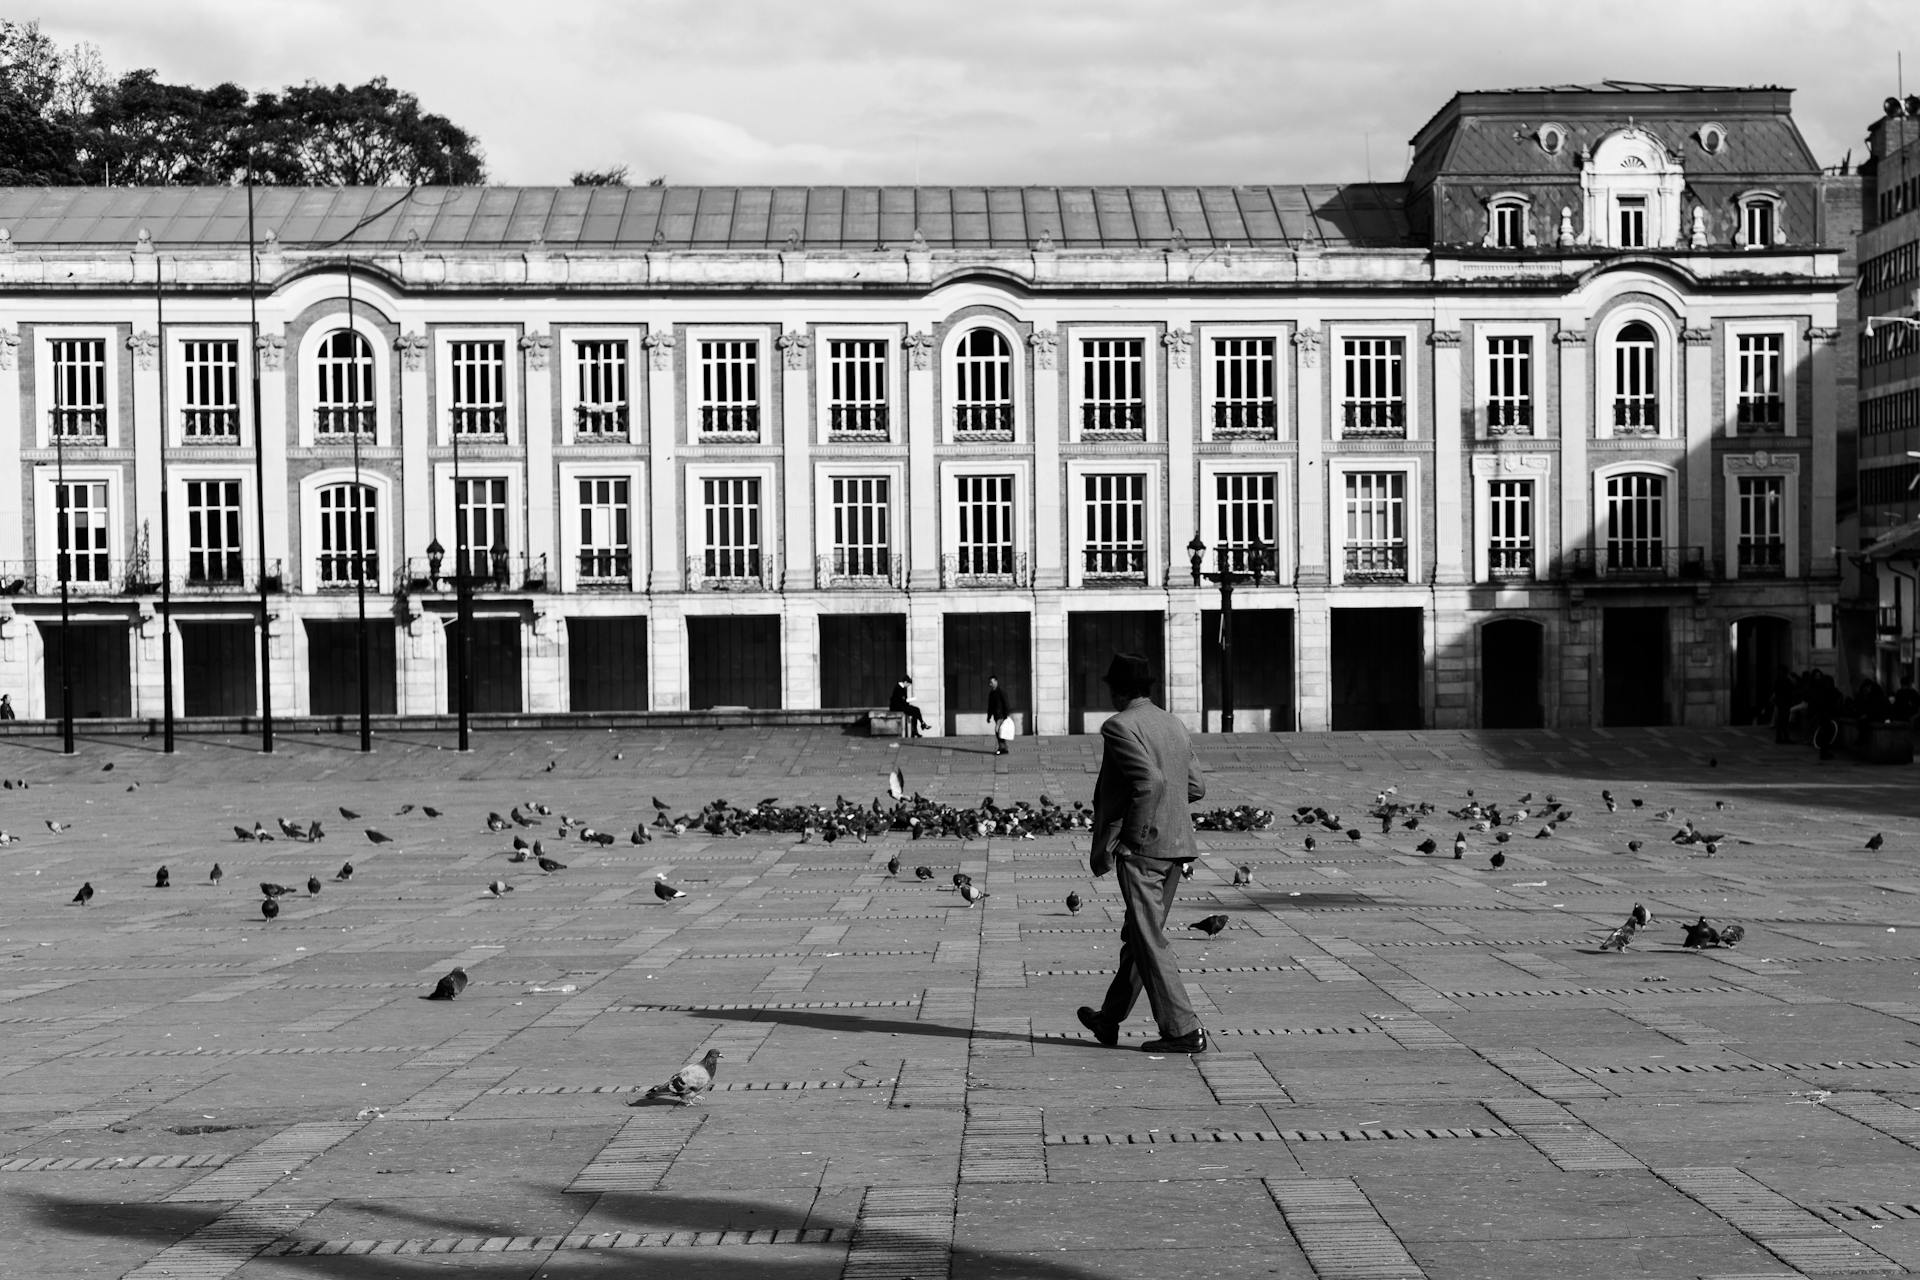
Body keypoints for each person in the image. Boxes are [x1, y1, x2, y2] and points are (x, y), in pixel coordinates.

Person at [1077, 652, 1209, 1055]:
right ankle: (1109, 1018)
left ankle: (1183, 1029)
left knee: (1148, 939)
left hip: (1144, 850)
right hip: (1177, 847)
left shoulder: (1119, 726)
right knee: (1140, 936)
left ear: (1118, 691)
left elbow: (1148, 782)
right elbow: (1196, 787)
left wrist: (1132, 838)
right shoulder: (1172, 722)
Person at [986, 675, 1012, 756]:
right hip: (996, 716)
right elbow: (990, 706)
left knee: (997, 730)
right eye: (990, 683)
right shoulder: (991, 693)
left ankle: (1001, 748)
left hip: (1001, 715)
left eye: (992, 682)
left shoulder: (1001, 691)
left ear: (996, 682)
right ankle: (1004, 748)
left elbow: (1006, 703)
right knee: (1000, 732)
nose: (990, 684)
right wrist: (989, 716)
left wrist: (1006, 715)